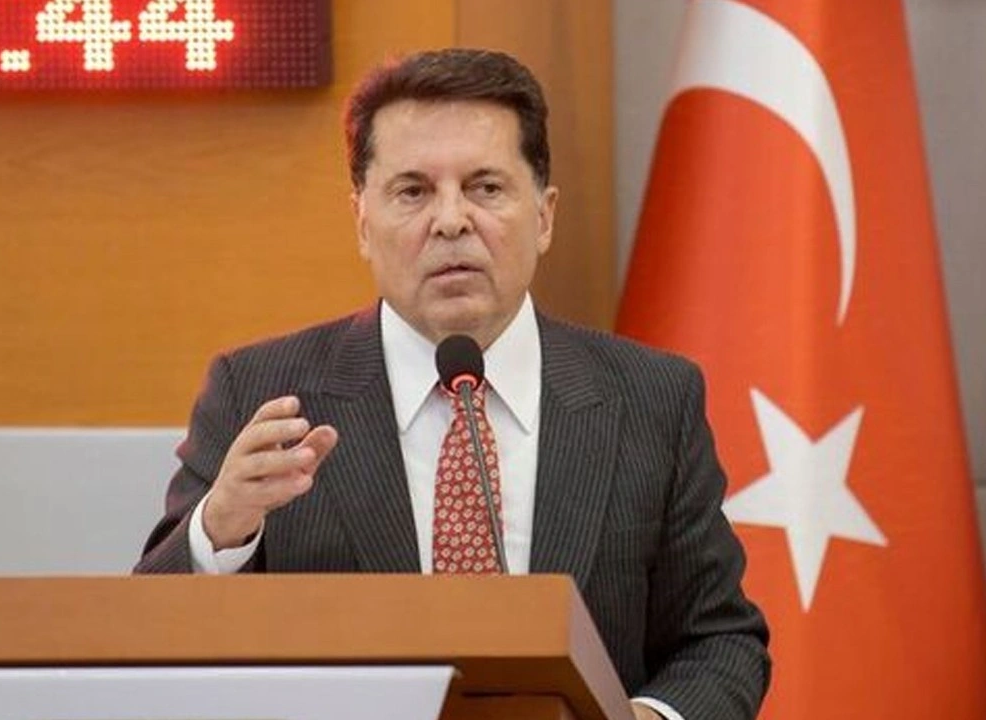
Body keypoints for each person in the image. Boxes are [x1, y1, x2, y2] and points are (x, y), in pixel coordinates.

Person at [136, 48, 770, 720]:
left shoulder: (652, 399)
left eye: (485, 188)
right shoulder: (260, 393)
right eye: (413, 192)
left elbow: (720, 640)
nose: (450, 220)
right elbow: (146, 634)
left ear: (545, 215)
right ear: (362, 222)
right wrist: (221, 531)